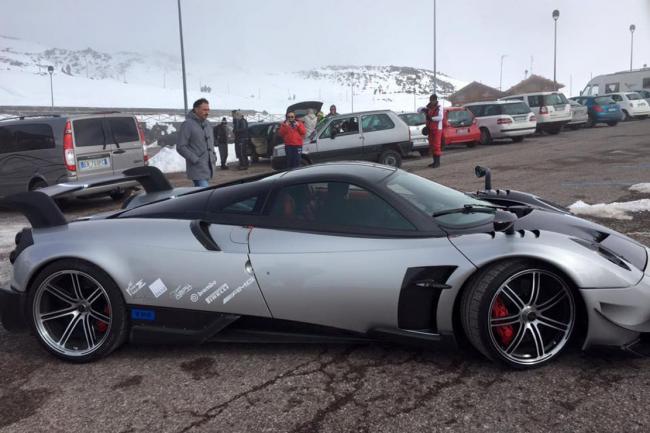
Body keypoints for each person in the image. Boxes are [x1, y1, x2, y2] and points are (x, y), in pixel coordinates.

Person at [177, 98, 217, 187]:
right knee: (205, 195)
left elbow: (210, 144)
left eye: (208, 110)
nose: (207, 112)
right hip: (197, 168)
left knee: (202, 196)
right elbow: (180, 146)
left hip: (208, 167)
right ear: (196, 109)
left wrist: (213, 156)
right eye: (204, 110)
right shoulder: (187, 124)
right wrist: (195, 159)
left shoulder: (208, 124)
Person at [425, 94, 443, 168]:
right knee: (432, 145)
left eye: (432, 100)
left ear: (435, 100)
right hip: (430, 128)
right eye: (430, 100)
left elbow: (441, 117)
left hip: (437, 128)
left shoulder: (439, 107)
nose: (431, 101)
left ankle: (437, 162)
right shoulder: (429, 108)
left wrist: (432, 119)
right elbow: (419, 110)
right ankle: (434, 162)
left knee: (436, 146)